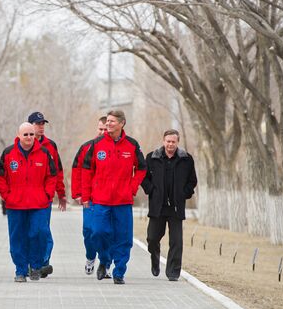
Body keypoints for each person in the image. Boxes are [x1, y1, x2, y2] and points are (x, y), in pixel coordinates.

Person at [82, 110, 147, 285]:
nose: (108, 124)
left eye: (112, 121)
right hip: (100, 200)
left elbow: (142, 168)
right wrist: (86, 195)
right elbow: (87, 171)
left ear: (122, 123)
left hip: (123, 201)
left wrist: (132, 188)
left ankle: (119, 271)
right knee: (98, 232)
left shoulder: (132, 145)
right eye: (107, 121)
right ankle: (104, 259)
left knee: (123, 238)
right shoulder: (96, 144)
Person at [0, 122, 57, 282]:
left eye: (31, 134)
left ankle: (35, 266)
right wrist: (7, 195)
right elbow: (0, 176)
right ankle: (20, 270)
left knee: (39, 233)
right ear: (18, 135)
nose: (29, 137)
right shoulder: (8, 153)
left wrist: (47, 195)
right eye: (25, 134)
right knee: (18, 237)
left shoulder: (44, 153)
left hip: (39, 204)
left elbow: (52, 176)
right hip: (16, 204)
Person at [141, 129, 197, 281]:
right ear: (163, 141)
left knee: (176, 242)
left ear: (177, 142)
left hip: (176, 207)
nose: (170, 144)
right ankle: (155, 255)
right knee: (152, 239)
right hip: (157, 206)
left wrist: (184, 194)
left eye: (173, 141)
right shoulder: (152, 157)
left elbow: (192, 181)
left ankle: (173, 272)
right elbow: (143, 178)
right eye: (168, 141)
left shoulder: (186, 159)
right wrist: (151, 190)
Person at [28, 111, 66, 278]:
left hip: (45, 196)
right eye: (38, 124)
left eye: (43, 124)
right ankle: (31, 263)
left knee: (42, 230)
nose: (41, 127)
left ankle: (43, 263)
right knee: (28, 230)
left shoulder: (50, 145)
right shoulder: (23, 144)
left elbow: (57, 171)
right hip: (25, 197)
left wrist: (61, 193)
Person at [71, 116, 109, 276]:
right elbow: (76, 170)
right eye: (100, 129)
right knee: (89, 231)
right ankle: (90, 256)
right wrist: (77, 193)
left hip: (108, 199)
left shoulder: (114, 148)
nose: (102, 132)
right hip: (90, 198)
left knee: (105, 232)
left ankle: (105, 264)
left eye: (105, 129)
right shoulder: (86, 147)